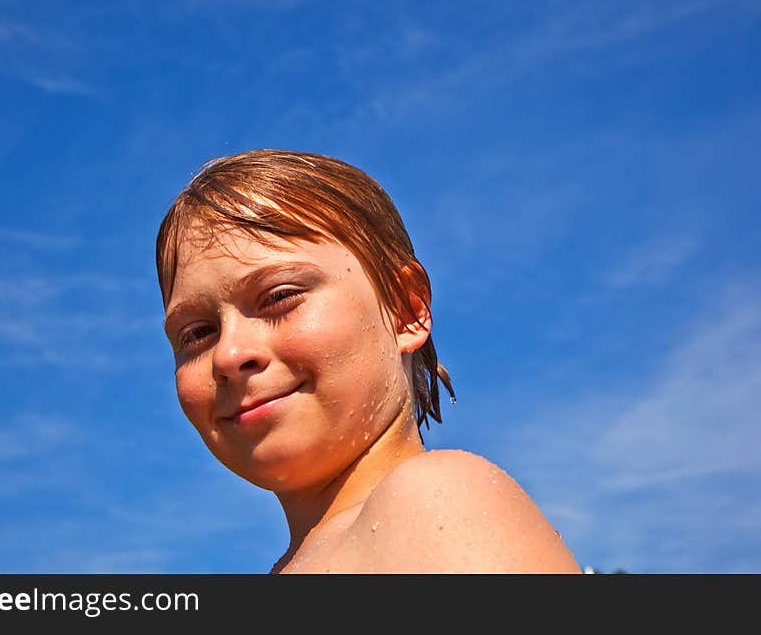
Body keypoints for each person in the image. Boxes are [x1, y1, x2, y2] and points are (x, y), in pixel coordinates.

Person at [155, 149, 582, 573]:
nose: (229, 355)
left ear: (405, 310)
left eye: (280, 297)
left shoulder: (436, 502)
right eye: (198, 333)